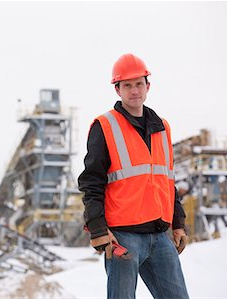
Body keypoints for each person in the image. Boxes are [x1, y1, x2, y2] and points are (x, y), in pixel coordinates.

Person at [78, 53, 189, 299]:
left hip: (160, 236)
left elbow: (167, 180)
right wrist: (97, 229)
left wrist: (178, 223)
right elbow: (91, 181)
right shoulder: (105, 126)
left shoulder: (162, 127)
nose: (134, 90)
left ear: (148, 86)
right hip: (124, 238)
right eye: (127, 85)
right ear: (117, 90)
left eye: (139, 83)